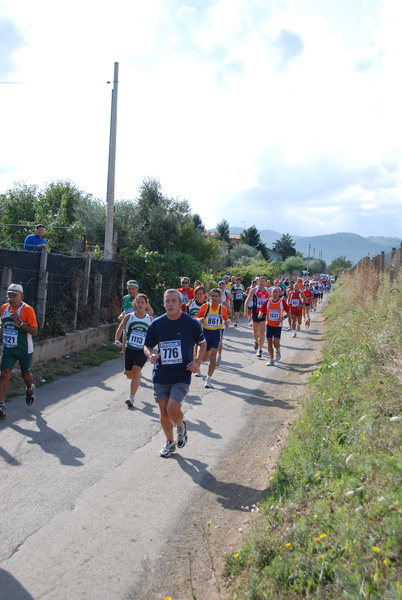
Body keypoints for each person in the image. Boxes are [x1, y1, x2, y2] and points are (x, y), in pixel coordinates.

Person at [144, 289, 206, 458]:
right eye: (167, 301)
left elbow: (202, 343)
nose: (170, 304)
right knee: (163, 412)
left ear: (180, 303)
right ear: (164, 304)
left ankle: (181, 426)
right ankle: (170, 442)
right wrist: (151, 355)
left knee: (172, 410)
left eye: (173, 301)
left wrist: (198, 361)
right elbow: (147, 346)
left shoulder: (191, 323)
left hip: (181, 374)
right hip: (161, 374)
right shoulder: (156, 324)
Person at [0, 284, 38, 418]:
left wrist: (19, 322)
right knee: (4, 373)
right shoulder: (4, 308)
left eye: (14, 296)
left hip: (24, 349)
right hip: (9, 349)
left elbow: (34, 331)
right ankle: (1, 405)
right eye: (9, 296)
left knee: (25, 375)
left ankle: (29, 388)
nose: (11, 299)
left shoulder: (27, 310)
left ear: (21, 296)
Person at [114, 294, 152, 407]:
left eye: (142, 302)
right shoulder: (129, 316)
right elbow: (120, 328)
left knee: (136, 371)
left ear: (146, 305)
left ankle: (131, 397)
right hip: (130, 348)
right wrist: (116, 339)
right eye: (138, 302)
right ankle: (136, 379)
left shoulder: (149, 319)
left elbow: (154, 334)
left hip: (142, 350)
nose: (140, 304)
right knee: (129, 374)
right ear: (135, 304)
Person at [196, 288, 230, 388]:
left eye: (217, 296)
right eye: (213, 296)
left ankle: (208, 378)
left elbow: (225, 318)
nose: (214, 298)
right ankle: (202, 360)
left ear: (220, 298)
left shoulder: (222, 308)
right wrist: (199, 319)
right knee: (204, 358)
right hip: (205, 332)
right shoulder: (205, 307)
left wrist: (226, 322)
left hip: (216, 333)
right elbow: (196, 318)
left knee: (213, 355)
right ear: (209, 297)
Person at [258, 287, 289, 366]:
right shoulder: (267, 302)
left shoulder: (282, 302)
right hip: (269, 325)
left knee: (275, 342)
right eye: (273, 292)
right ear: (271, 293)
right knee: (269, 342)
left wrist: (283, 318)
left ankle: (278, 350)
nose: (275, 293)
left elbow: (289, 313)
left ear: (279, 293)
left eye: (276, 292)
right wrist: (260, 314)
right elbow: (262, 309)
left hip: (278, 325)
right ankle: (271, 359)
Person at [244, 276, 270, 357]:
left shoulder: (268, 291)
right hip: (255, 313)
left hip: (264, 313)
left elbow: (272, 301)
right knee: (255, 332)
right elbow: (247, 300)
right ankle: (256, 341)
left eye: (263, 282)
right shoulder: (254, 290)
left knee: (262, 332)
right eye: (260, 281)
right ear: (258, 282)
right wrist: (245, 312)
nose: (262, 283)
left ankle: (260, 350)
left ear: (266, 283)